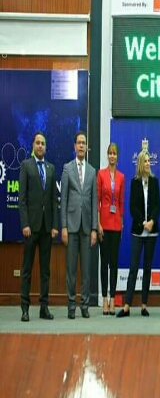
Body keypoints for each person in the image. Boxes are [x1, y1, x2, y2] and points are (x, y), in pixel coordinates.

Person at [19, 132, 59, 322]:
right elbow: (22, 199)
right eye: (38, 143)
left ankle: (44, 308)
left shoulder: (51, 168)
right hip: (31, 227)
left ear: (46, 147)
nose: (40, 146)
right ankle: (25, 309)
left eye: (43, 143)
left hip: (46, 228)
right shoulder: (26, 166)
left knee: (45, 271)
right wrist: (25, 224)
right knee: (27, 270)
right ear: (33, 145)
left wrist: (54, 225)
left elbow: (53, 200)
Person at [117, 150, 160, 318]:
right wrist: (143, 222)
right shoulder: (134, 182)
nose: (148, 163)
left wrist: (152, 222)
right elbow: (132, 207)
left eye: (149, 161)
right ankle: (127, 306)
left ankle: (144, 305)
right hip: (138, 231)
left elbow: (157, 205)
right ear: (140, 164)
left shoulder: (155, 182)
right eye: (146, 161)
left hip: (152, 232)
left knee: (147, 269)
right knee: (133, 268)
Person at [60, 132, 98, 319]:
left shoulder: (92, 171)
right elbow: (63, 200)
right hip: (71, 227)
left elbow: (94, 201)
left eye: (84, 143)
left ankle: (84, 305)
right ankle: (71, 306)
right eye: (79, 143)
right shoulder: (67, 169)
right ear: (75, 146)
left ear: (86, 147)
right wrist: (64, 227)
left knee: (86, 270)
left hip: (86, 228)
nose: (81, 146)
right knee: (71, 270)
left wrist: (94, 229)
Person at [97, 143, 125, 316]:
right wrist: (98, 224)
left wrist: (121, 224)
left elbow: (121, 203)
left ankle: (113, 299)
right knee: (104, 264)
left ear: (117, 156)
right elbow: (97, 200)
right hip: (103, 224)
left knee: (114, 264)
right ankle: (105, 299)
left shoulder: (121, 177)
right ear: (107, 156)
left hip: (116, 226)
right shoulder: (101, 174)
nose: (112, 156)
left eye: (114, 153)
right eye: (110, 153)